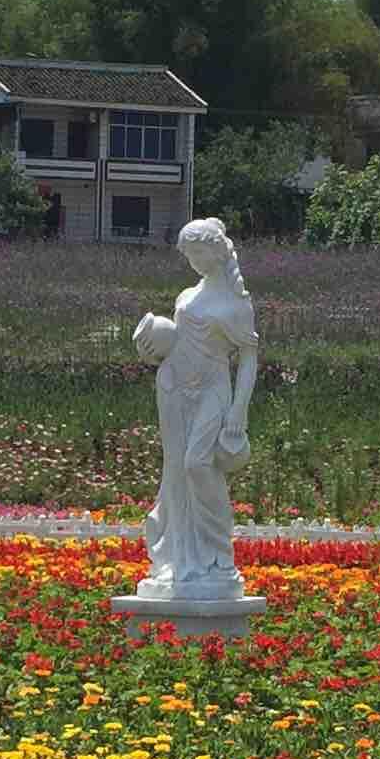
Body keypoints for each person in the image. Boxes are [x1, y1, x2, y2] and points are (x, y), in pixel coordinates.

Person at [131, 217, 261, 601]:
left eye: (197, 252)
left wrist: (239, 411)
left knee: (197, 463)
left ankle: (218, 552)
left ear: (216, 251)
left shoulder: (236, 305)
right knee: (175, 470)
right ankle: (179, 558)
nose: (192, 260)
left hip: (212, 390)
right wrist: (154, 342)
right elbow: (178, 339)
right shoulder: (186, 295)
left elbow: (250, 358)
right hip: (172, 387)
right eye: (188, 254)